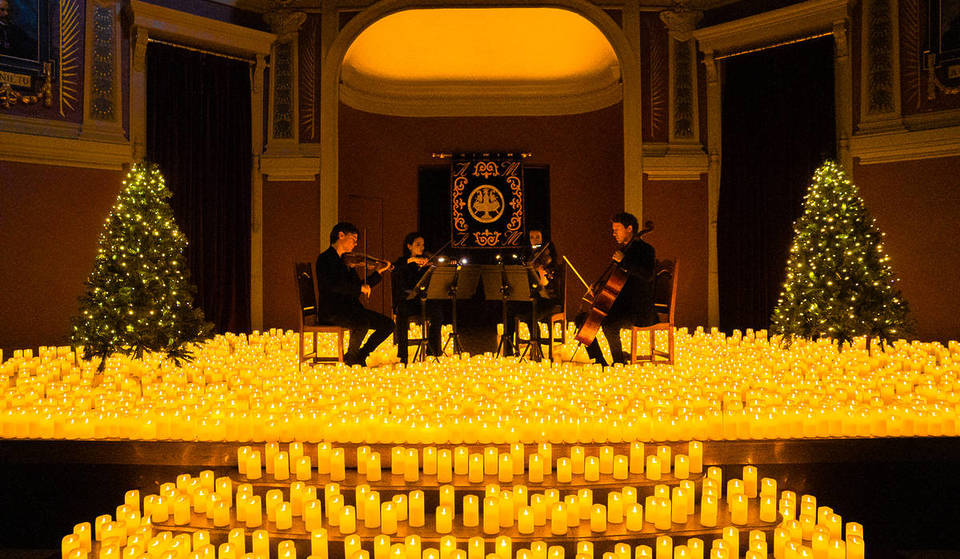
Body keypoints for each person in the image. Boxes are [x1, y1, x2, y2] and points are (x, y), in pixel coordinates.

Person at [574, 212, 656, 366]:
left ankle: (619, 363)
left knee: (609, 325)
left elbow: (647, 275)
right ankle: (599, 361)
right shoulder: (624, 250)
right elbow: (617, 280)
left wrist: (624, 261)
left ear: (629, 229)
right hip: (621, 305)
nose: (613, 234)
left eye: (617, 229)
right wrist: (599, 288)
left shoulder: (646, 250)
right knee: (582, 320)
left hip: (638, 308)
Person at [316, 222, 395, 366]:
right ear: (341, 235)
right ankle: (351, 359)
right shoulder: (325, 259)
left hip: (351, 309)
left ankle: (360, 355)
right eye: (353, 238)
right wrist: (359, 288)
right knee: (361, 323)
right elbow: (332, 286)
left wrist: (377, 273)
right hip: (332, 311)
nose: (356, 243)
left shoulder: (347, 262)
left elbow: (358, 286)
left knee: (388, 324)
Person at [502, 229, 563, 358]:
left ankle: (537, 350)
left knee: (531, 316)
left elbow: (544, 284)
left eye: (537, 237)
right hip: (532, 298)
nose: (535, 240)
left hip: (547, 299)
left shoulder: (549, 259)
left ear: (543, 239)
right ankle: (509, 351)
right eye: (532, 237)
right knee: (509, 310)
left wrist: (539, 270)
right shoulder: (528, 257)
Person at [392, 232, 444, 363]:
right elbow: (395, 268)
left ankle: (432, 351)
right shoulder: (402, 262)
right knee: (401, 312)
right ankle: (403, 355)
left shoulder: (425, 262)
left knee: (437, 312)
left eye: (423, 245)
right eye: (418, 244)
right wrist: (412, 261)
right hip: (407, 301)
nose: (422, 247)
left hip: (421, 301)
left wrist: (428, 269)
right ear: (409, 246)